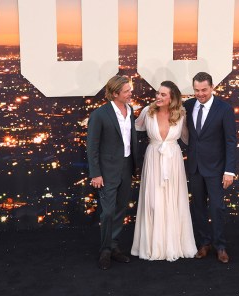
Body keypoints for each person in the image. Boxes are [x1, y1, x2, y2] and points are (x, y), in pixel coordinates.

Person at [131, 81, 197, 261]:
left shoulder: (181, 114)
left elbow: (188, 138)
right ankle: (153, 245)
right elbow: (133, 128)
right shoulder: (147, 112)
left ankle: (175, 245)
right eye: (158, 93)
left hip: (173, 162)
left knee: (174, 201)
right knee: (153, 201)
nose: (158, 97)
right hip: (153, 160)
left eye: (163, 95)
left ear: (172, 98)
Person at [183, 72, 237, 264]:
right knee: (198, 207)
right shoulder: (187, 106)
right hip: (195, 167)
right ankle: (204, 243)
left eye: (204, 90)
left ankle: (220, 246)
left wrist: (229, 171)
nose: (200, 94)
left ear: (212, 87)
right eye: (196, 90)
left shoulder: (224, 109)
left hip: (216, 168)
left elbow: (231, 141)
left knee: (216, 208)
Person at [87, 75, 138, 270]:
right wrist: (96, 174)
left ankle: (114, 247)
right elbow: (92, 147)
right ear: (115, 93)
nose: (130, 93)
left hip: (127, 167)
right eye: (126, 91)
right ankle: (105, 251)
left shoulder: (130, 110)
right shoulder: (100, 114)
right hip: (107, 171)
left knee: (120, 210)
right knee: (108, 212)